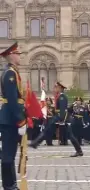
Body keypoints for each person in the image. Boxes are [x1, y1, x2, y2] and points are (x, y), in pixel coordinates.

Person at [29, 82, 83, 157]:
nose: (55, 89)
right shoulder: (59, 96)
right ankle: (35, 143)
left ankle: (35, 143)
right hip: (59, 116)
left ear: (60, 88)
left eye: (56, 87)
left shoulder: (62, 97)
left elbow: (62, 110)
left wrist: (61, 119)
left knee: (69, 135)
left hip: (61, 117)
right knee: (49, 129)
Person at [0, 42, 27, 190]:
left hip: (9, 117)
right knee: (8, 154)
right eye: (17, 54)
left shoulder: (11, 71)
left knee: (9, 153)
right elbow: (11, 99)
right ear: (11, 55)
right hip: (10, 118)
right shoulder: (10, 73)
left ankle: (10, 184)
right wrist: (20, 120)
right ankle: (9, 185)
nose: (19, 56)